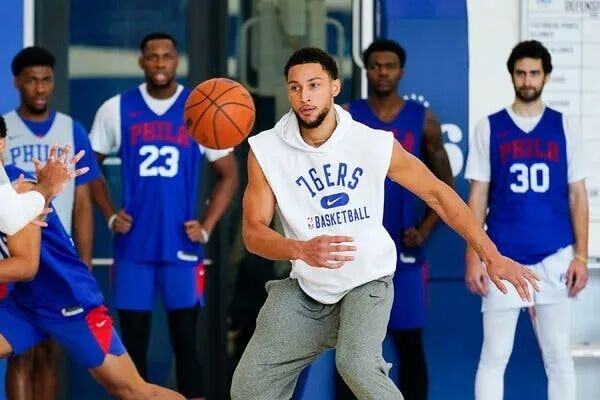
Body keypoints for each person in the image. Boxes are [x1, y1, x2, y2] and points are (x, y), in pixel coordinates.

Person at [230, 47, 539, 400]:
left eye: (314, 85)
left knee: (357, 365)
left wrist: (491, 255)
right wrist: (299, 249)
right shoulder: (267, 150)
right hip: (307, 290)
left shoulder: (371, 143)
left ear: (334, 87)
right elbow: (253, 233)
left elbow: (438, 194)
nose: (305, 97)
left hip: (366, 281)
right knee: (249, 388)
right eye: (295, 87)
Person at [89, 32, 238, 400]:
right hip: (133, 250)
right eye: (152, 56)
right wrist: (110, 216)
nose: (159, 63)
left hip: (182, 250)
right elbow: (90, 170)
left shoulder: (199, 108)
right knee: (133, 349)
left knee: (186, 344)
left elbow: (230, 175)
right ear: (142, 62)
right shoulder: (116, 108)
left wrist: (206, 227)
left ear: (176, 61)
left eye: (166, 56)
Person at [0, 130, 185, 400]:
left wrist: (46, 190)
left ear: (1, 143)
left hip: (67, 300)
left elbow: (26, 267)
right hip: (27, 302)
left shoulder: (19, 187)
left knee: (134, 391)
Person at [464, 40, 588, 400]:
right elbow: (478, 196)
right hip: (503, 255)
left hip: (555, 254)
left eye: (534, 73)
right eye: (521, 73)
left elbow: (578, 196)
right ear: (512, 76)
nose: (528, 80)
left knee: (558, 357)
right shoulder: (489, 127)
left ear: (546, 76)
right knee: (494, 355)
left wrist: (581, 256)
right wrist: (474, 254)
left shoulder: (565, 126)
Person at [340, 38, 454, 400]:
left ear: (401, 71)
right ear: (366, 70)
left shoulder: (423, 119)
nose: (382, 72)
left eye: (389, 66)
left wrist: (425, 230)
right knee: (353, 354)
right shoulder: (346, 116)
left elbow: (445, 185)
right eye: (376, 66)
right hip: (357, 258)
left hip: (404, 257)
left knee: (409, 347)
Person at [3, 46, 101, 400]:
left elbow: (83, 204)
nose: (40, 88)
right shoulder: (5, 128)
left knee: (49, 352)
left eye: (46, 80)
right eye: (31, 80)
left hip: (56, 255)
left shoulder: (71, 129)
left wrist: (85, 260)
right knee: (19, 353)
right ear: (17, 83)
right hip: (15, 251)